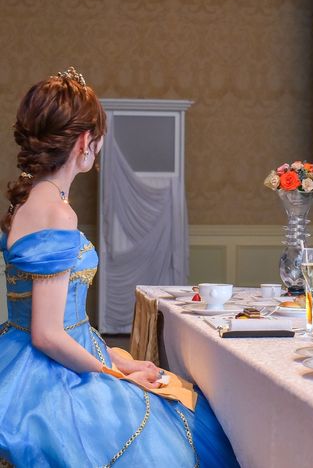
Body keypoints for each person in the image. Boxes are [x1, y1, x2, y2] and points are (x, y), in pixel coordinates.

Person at [0, 68, 239, 466]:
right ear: (84, 142)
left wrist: (117, 359)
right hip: (52, 375)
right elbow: (47, 334)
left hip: (27, 358)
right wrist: (115, 375)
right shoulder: (57, 213)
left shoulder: (27, 202)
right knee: (187, 425)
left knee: (175, 395)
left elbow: (63, 323)